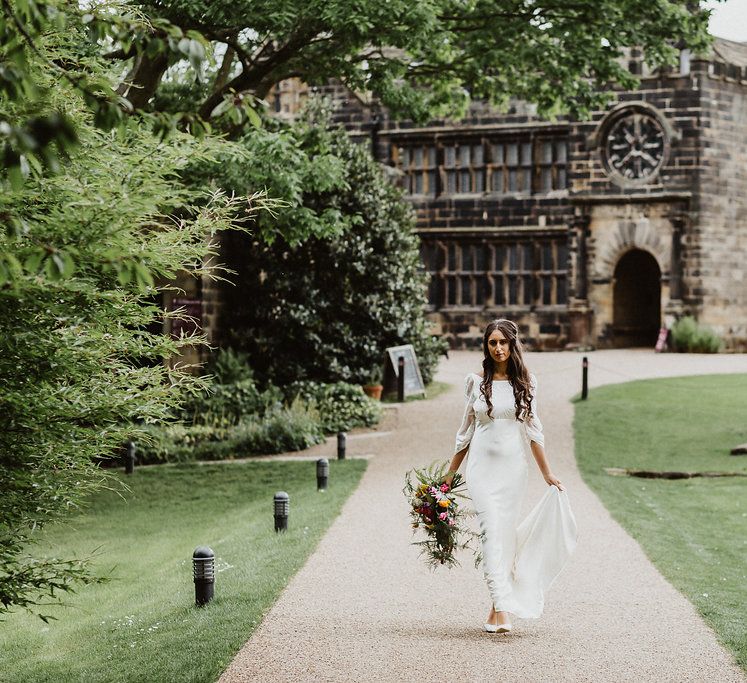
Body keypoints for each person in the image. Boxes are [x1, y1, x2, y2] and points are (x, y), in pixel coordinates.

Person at [446, 318, 577, 634]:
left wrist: (547, 473)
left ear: (513, 344)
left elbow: (534, 431)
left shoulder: (527, 382)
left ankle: (494, 608)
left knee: (504, 537)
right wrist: (448, 477)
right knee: (491, 530)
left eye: (503, 342)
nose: (498, 348)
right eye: (492, 342)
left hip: (513, 471)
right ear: (486, 346)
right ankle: (504, 610)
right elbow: (464, 434)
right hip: (481, 468)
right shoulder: (475, 382)